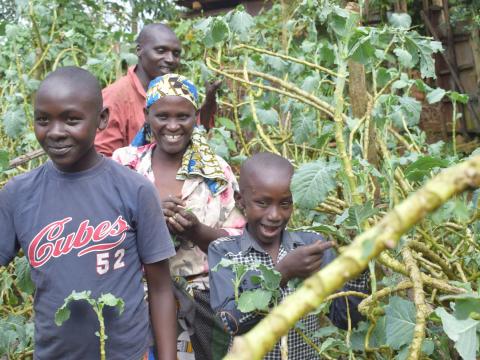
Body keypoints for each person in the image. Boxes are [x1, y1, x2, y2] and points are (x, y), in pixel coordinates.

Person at [0, 67, 176, 360]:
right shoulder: (19, 194)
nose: (55, 132)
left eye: (71, 119)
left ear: (102, 119)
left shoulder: (134, 190)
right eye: (43, 119)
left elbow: (160, 288)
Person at [112, 73, 246, 360]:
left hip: (202, 304)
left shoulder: (215, 172)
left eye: (183, 117)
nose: (172, 126)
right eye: (162, 116)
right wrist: (147, 219)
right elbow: (102, 231)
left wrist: (196, 231)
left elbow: (240, 243)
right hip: (132, 298)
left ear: (196, 117)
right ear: (147, 115)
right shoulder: (124, 165)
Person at [208, 152, 370, 359]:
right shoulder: (224, 251)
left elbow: (346, 319)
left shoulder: (312, 245)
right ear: (240, 200)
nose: (275, 215)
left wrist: (359, 267)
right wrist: (282, 274)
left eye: (285, 204)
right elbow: (228, 323)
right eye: (263, 203)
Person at [95, 23, 220, 157]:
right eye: (161, 51)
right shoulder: (114, 96)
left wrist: (210, 99)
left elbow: (197, 130)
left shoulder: (177, 89)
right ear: (139, 50)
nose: (170, 59)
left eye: (176, 53)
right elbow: (104, 158)